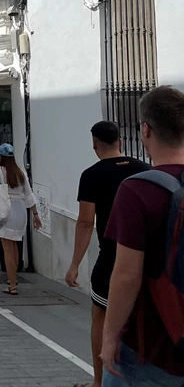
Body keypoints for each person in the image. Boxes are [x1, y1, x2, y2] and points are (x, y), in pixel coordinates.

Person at [101, 86, 184, 384]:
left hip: (149, 349)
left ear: (145, 131)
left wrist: (109, 337)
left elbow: (127, 274)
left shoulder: (137, 189)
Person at [65, 121, 150, 387]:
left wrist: (74, 265)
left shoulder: (91, 175)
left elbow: (86, 222)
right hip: (145, 258)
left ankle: (99, 382)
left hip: (111, 259)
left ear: (94, 144)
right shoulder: (145, 169)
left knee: (100, 317)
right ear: (121, 142)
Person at [0, 144, 41, 295]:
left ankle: (12, 285)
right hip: (21, 211)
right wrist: (35, 215)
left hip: (6, 212)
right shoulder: (20, 172)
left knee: (7, 250)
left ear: (0, 156)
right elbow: (29, 195)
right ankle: (13, 279)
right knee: (16, 247)